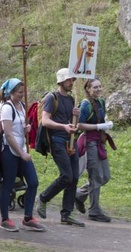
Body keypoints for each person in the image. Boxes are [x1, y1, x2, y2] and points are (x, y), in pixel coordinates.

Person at [0, 79, 46, 232]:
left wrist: (27, 128)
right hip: (10, 151)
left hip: (22, 150)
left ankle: (28, 218)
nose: (22, 95)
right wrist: (21, 153)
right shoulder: (6, 108)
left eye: (23, 92)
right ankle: (5, 219)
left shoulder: (22, 107)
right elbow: (9, 135)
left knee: (33, 182)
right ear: (10, 93)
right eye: (19, 92)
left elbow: (19, 129)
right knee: (8, 185)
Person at [37, 68, 84, 226]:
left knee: (74, 178)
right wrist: (64, 127)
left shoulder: (71, 100)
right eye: (69, 80)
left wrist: (75, 116)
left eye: (72, 80)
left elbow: (73, 125)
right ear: (61, 81)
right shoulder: (52, 98)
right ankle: (43, 198)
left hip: (70, 141)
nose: (71, 82)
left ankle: (66, 214)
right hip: (57, 141)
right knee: (66, 176)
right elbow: (45, 121)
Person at [75, 77, 113, 223]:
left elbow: (100, 119)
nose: (97, 89)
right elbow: (79, 125)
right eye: (94, 87)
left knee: (105, 176)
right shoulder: (85, 104)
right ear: (88, 89)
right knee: (96, 176)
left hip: (100, 142)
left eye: (99, 87)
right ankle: (94, 210)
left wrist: (106, 124)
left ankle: (79, 194)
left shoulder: (101, 102)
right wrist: (98, 127)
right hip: (89, 143)